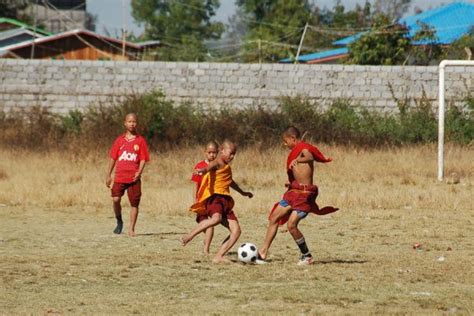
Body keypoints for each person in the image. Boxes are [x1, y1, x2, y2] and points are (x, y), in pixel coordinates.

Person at [258, 126, 338, 265]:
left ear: (293, 139)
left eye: (285, 141)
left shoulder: (303, 149)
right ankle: (262, 252)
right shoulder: (296, 151)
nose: (284, 144)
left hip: (304, 195)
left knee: (291, 225)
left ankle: (306, 256)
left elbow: (309, 156)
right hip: (293, 193)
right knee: (273, 218)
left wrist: (298, 160)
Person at [181, 140, 253, 264]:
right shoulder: (218, 161)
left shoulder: (226, 167)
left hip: (225, 201)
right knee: (216, 219)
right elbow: (210, 166)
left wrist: (242, 192)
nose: (232, 157)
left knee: (236, 231)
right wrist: (203, 170)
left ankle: (218, 256)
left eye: (234, 154)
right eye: (230, 153)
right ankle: (189, 236)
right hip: (215, 198)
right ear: (222, 151)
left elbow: (229, 181)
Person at [105, 113, 150, 237]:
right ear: (125, 123)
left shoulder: (140, 141)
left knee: (134, 204)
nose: (132, 124)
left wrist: (139, 172)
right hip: (120, 176)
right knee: (115, 199)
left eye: (134, 121)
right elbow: (113, 158)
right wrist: (108, 175)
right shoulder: (119, 140)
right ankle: (119, 221)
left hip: (133, 178)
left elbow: (143, 159)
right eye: (129, 121)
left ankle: (131, 228)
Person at [191, 141, 218, 254]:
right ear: (205, 152)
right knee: (203, 223)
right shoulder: (199, 166)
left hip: (213, 200)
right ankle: (206, 239)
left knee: (210, 224)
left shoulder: (218, 165)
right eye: (209, 152)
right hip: (202, 201)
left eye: (214, 152)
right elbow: (195, 185)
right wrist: (195, 200)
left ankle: (206, 249)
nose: (212, 155)